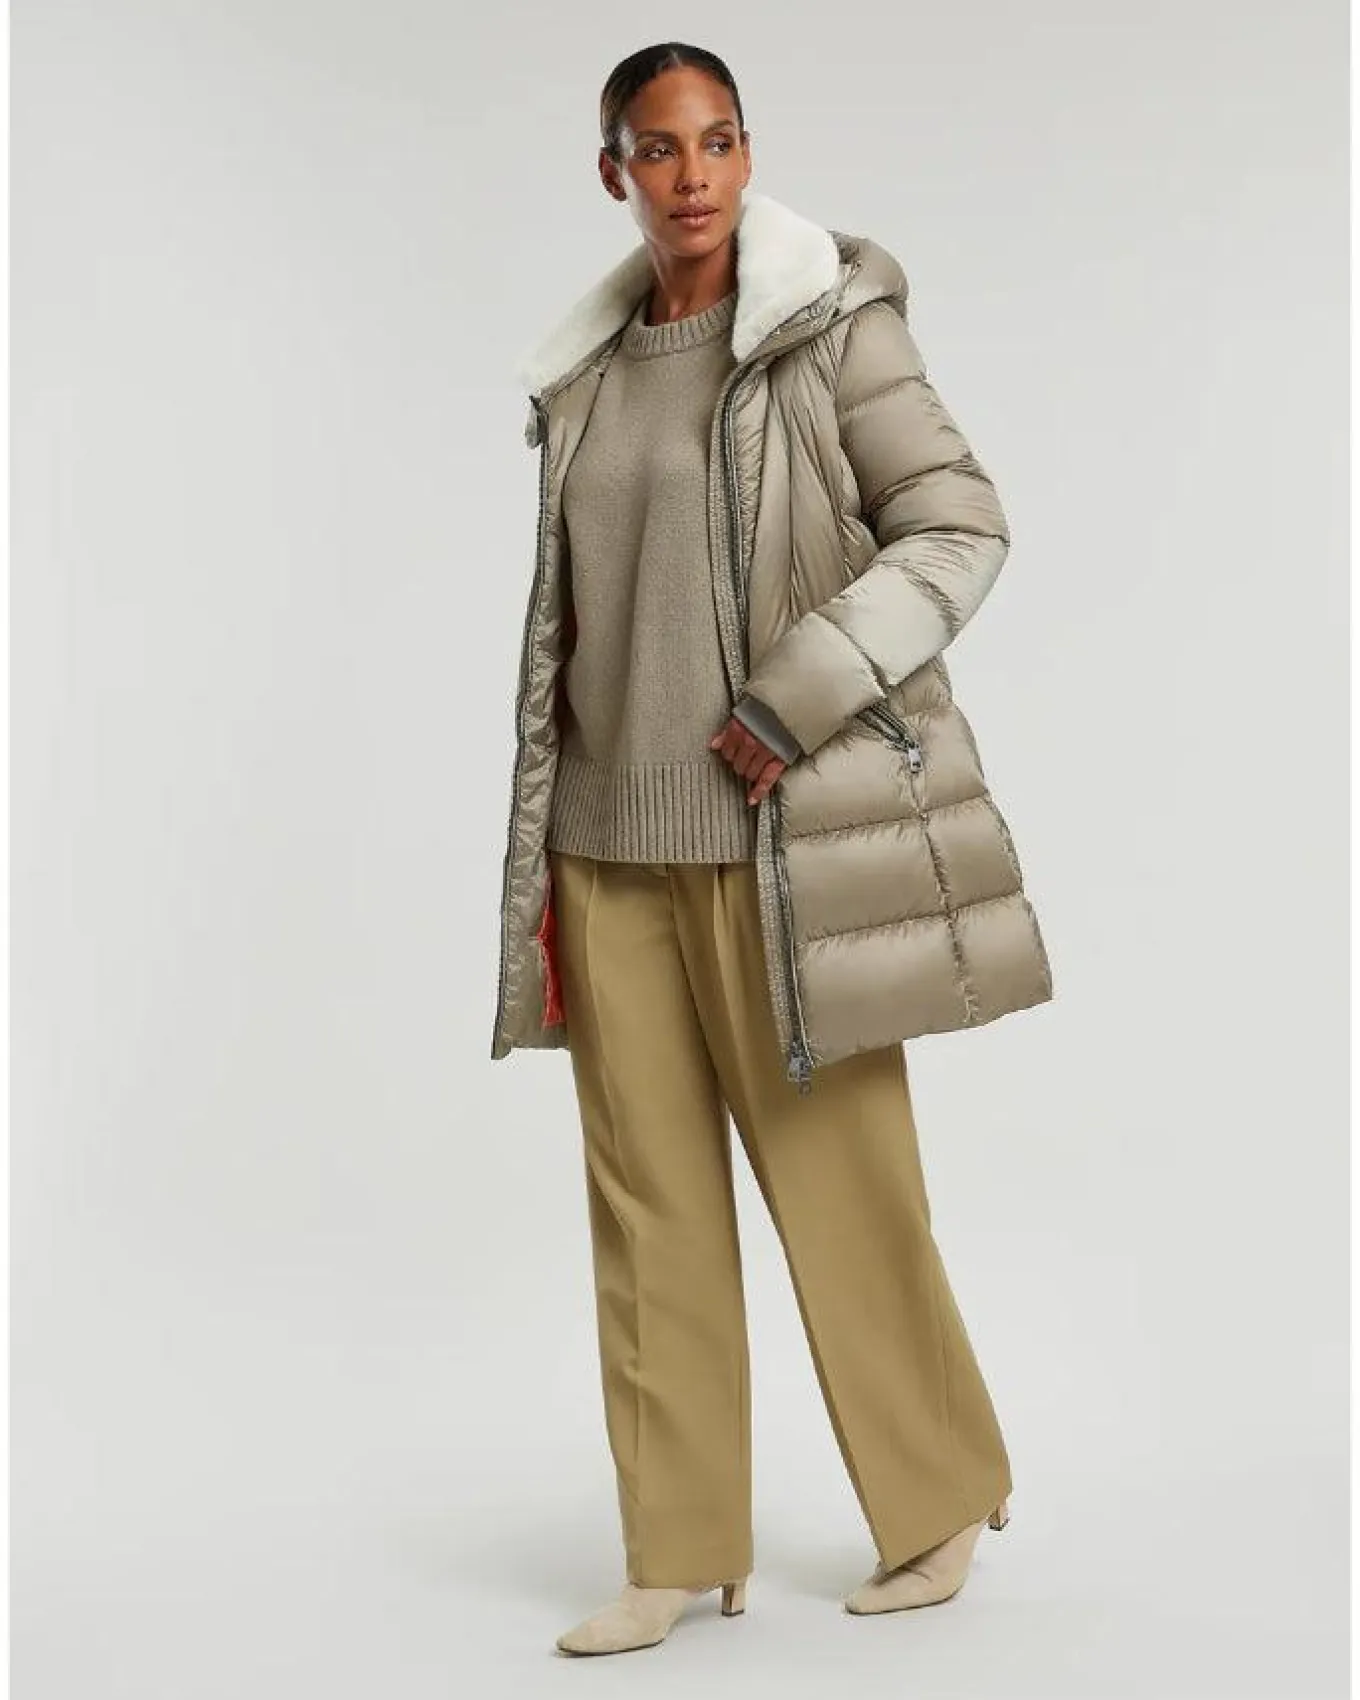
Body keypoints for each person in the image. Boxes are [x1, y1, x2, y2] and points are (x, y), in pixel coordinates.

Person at [489, 39, 1054, 1659]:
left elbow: (960, 524)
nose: (694, 176)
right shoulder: (587, 376)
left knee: (846, 1186)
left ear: (749, 152)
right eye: (659, 148)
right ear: (613, 169)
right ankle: (678, 1550)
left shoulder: (829, 330)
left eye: (720, 140)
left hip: (779, 843)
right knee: (647, 1210)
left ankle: (938, 1500)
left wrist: (796, 695)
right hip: (608, 846)